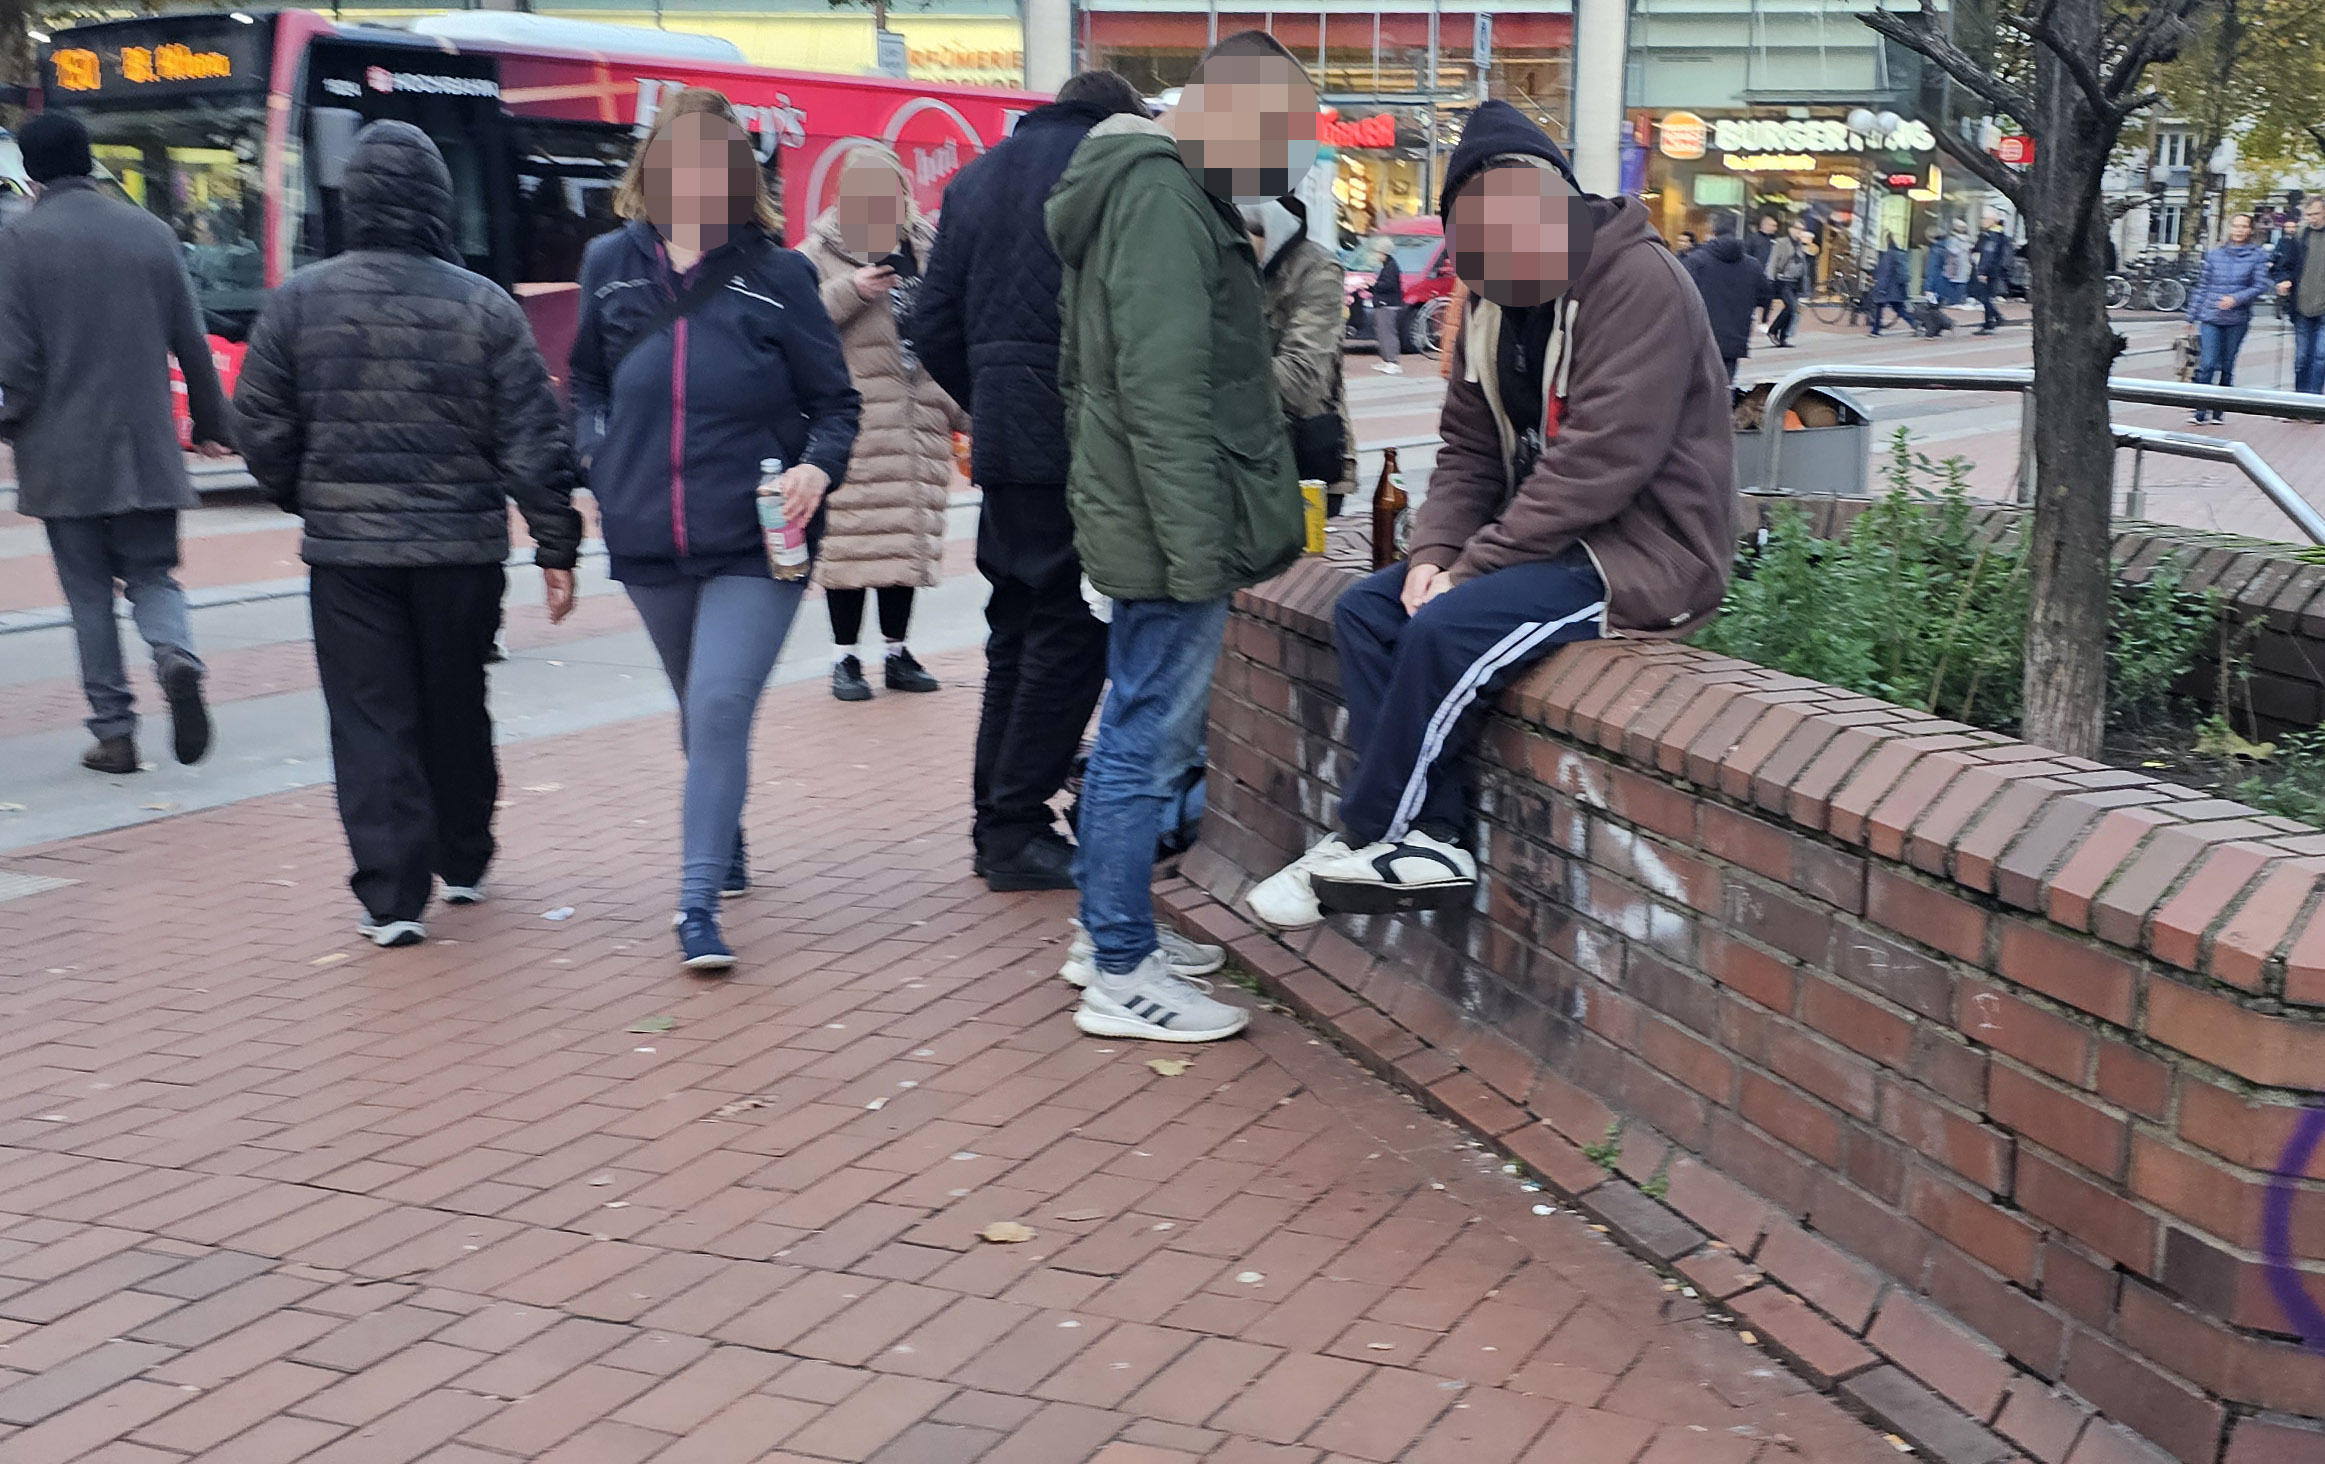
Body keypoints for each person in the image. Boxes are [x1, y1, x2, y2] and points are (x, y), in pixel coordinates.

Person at [1246, 99, 1735, 925]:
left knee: (1446, 627)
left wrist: (1469, 571)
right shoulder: (1488, 304)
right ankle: (1430, 836)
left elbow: (1601, 463)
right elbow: (1468, 451)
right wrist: (1435, 552)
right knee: (1372, 607)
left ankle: (1372, 830)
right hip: (1541, 542)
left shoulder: (1636, 282)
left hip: (1640, 552)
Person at [234, 122, 583, 950]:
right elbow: (533, 438)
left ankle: (392, 895)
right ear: (437, 202)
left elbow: (259, 423)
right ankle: (464, 856)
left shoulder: (298, 302)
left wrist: (302, 495)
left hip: (349, 556)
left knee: (370, 716)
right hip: (461, 552)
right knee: (456, 702)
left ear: (352, 202)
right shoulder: (485, 306)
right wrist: (555, 545)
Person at [1045, 29, 1310, 1041]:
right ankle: (1118, 965)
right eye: (1284, 131)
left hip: (1152, 515)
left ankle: (1108, 934)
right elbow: (1163, 390)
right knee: (1143, 741)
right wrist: (1198, 552)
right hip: (1168, 528)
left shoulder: (1157, 189)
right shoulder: (1159, 197)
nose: (1291, 157)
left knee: (1137, 729)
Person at [571, 92, 861, 970]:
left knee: (719, 701)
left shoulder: (778, 276)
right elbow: (583, 382)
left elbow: (835, 403)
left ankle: (696, 905)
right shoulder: (607, 265)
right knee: (696, 706)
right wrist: (595, 456)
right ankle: (722, 828)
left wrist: (819, 463)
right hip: (648, 532)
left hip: (758, 537)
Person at [914, 70, 1148, 894]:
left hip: (1007, 444)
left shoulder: (976, 177)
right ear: (1121, 117)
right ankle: (1013, 824)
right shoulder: (1115, 167)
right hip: (1080, 441)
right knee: (1070, 631)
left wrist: (989, 397)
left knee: (1014, 624)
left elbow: (928, 322)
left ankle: (997, 818)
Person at [0, 112, 231, 776]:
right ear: (90, 161)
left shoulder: (18, 245)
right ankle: (174, 654)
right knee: (154, 576)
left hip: (61, 456)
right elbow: (192, 343)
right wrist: (213, 426)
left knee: (88, 597)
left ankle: (114, 732)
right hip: (145, 449)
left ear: (31, 171)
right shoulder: (151, 233)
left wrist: (10, 420)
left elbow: (16, 364)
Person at [801, 146, 967, 702]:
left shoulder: (926, 245)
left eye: (889, 191)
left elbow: (950, 322)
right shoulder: (819, 251)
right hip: (856, 419)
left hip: (918, 415)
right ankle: (843, 659)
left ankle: (897, 653)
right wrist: (853, 290)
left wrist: (959, 406)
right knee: (851, 546)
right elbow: (798, 322)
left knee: (905, 542)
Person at [1246, 194, 1356, 513]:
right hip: (1241, 459)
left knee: (1311, 559)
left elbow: (1299, 377)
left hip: (1305, 455)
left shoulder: (1316, 268)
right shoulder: (1214, 265)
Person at [2186, 212, 2272, 424]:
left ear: (2250, 230)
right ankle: (2200, 410)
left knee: (2226, 365)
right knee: (2207, 363)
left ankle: (2219, 410)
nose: (2239, 230)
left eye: (2244, 226)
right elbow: (2203, 286)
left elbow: (2260, 285)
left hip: (2237, 318)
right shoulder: (2214, 255)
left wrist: (2236, 299)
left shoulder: (2257, 255)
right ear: (2230, 228)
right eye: (2236, 226)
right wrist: (2191, 316)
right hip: (2211, 316)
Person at [1683, 215, 1764, 385]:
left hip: (1700, 335)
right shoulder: (1752, 265)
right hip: (1734, 337)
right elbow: (1765, 294)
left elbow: (1683, 294)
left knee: (1696, 386)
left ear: (1713, 232)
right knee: (1726, 385)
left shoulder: (1697, 260)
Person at [2272, 194, 2325, 394]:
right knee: (2301, 358)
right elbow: (2284, 265)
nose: (2312, 218)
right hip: (2302, 305)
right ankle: (2299, 401)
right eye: (2308, 214)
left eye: (2316, 214)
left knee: (2321, 356)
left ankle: (2313, 403)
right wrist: (2283, 280)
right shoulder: (2300, 236)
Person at [1764, 222, 1810, 347]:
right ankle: (1773, 331)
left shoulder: (1801, 244)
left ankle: (1783, 337)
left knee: (1791, 309)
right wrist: (1770, 277)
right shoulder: (1782, 242)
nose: (1800, 232)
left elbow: (1805, 263)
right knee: (1791, 307)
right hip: (1783, 280)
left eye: (1802, 229)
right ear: (1790, 229)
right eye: (1797, 229)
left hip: (1796, 281)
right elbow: (1773, 260)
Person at [1971, 213, 2012, 333]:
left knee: (1984, 296)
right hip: (1994, 270)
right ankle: (1996, 317)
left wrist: (1982, 271)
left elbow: (1988, 254)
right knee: (1985, 296)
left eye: (1985, 218)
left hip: (1989, 271)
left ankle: (1990, 322)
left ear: (1993, 220)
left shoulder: (1993, 236)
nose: (1983, 221)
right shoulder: (1997, 235)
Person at [1371, 241, 1406, 373]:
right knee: (1382, 332)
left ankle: (1392, 361)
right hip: (1383, 303)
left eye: (1377, 252)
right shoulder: (1387, 266)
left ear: (1383, 252)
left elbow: (1388, 285)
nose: (1375, 255)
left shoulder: (1391, 267)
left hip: (1388, 304)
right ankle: (1386, 360)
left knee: (1388, 333)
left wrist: (1374, 284)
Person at [1868, 234, 1911, 336]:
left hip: (1888, 288)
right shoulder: (1900, 253)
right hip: (1897, 288)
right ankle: (1916, 323)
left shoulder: (1888, 255)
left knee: (1880, 307)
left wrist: (1881, 288)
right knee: (1899, 309)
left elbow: (1884, 273)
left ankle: (1875, 331)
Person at [1943, 218, 1973, 305]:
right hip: (1964, 264)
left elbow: (1952, 251)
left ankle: (1952, 301)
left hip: (1954, 264)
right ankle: (1958, 301)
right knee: (1962, 282)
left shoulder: (1952, 239)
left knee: (1952, 283)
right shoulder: (1967, 239)